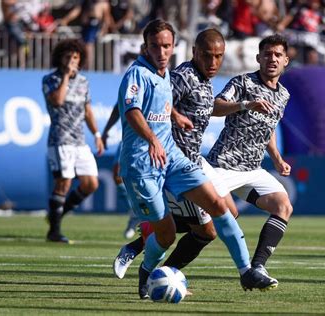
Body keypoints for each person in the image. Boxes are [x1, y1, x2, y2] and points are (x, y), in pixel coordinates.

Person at [117, 19, 275, 299]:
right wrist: (152, 138)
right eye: (156, 46)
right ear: (193, 51)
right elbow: (131, 108)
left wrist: (177, 116)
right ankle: (147, 264)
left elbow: (175, 105)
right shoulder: (171, 75)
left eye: (166, 46)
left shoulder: (169, 75)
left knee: (220, 208)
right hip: (148, 162)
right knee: (173, 233)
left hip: (180, 159)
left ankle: (246, 271)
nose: (162, 51)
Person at [207, 34, 293, 284]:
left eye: (278, 55)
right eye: (267, 54)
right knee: (204, 228)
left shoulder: (283, 95)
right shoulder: (243, 82)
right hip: (222, 166)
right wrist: (245, 105)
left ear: (286, 60)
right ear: (258, 58)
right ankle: (138, 244)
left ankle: (257, 268)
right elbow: (215, 106)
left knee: (283, 206)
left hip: (252, 170)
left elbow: (268, 128)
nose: (272, 59)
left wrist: (276, 158)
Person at [42, 38, 104, 243]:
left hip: (80, 141)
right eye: (67, 56)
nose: (71, 61)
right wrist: (66, 77)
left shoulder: (84, 82)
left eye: (75, 57)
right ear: (60, 58)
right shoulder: (50, 79)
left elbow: (87, 111)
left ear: (81, 59)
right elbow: (58, 100)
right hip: (60, 140)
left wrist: (96, 134)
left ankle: (57, 214)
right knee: (64, 183)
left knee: (91, 183)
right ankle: (54, 232)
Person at [101, 105, 140, 239]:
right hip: (129, 136)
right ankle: (136, 212)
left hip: (156, 137)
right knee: (117, 175)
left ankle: (142, 216)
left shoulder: (163, 86)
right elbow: (119, 106)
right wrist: (106, 129)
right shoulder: (130, 86)